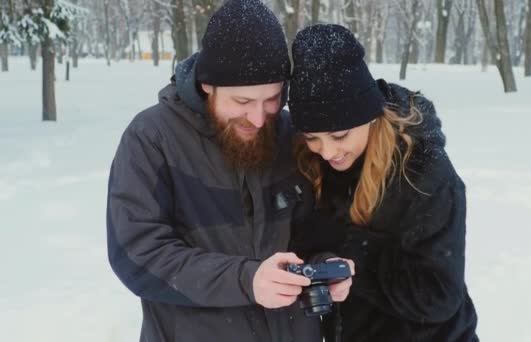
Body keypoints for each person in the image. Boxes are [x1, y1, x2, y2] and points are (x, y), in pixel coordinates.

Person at [106, 1, 349, 341]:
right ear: (207, 85)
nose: (259, 118)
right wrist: (246, 280)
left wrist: (328, 264)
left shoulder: (290, 133)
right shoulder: (152, 138)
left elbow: (314, 232)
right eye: (243, 102)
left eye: (272, 99)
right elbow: (138, 254)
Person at [288, 24, 479, 342]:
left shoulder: (423, 173)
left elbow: (439, 294)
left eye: (339, 135)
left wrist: (351, 252)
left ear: (369, 115)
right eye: (312, 137)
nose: (328, 151)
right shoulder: (310, 163)